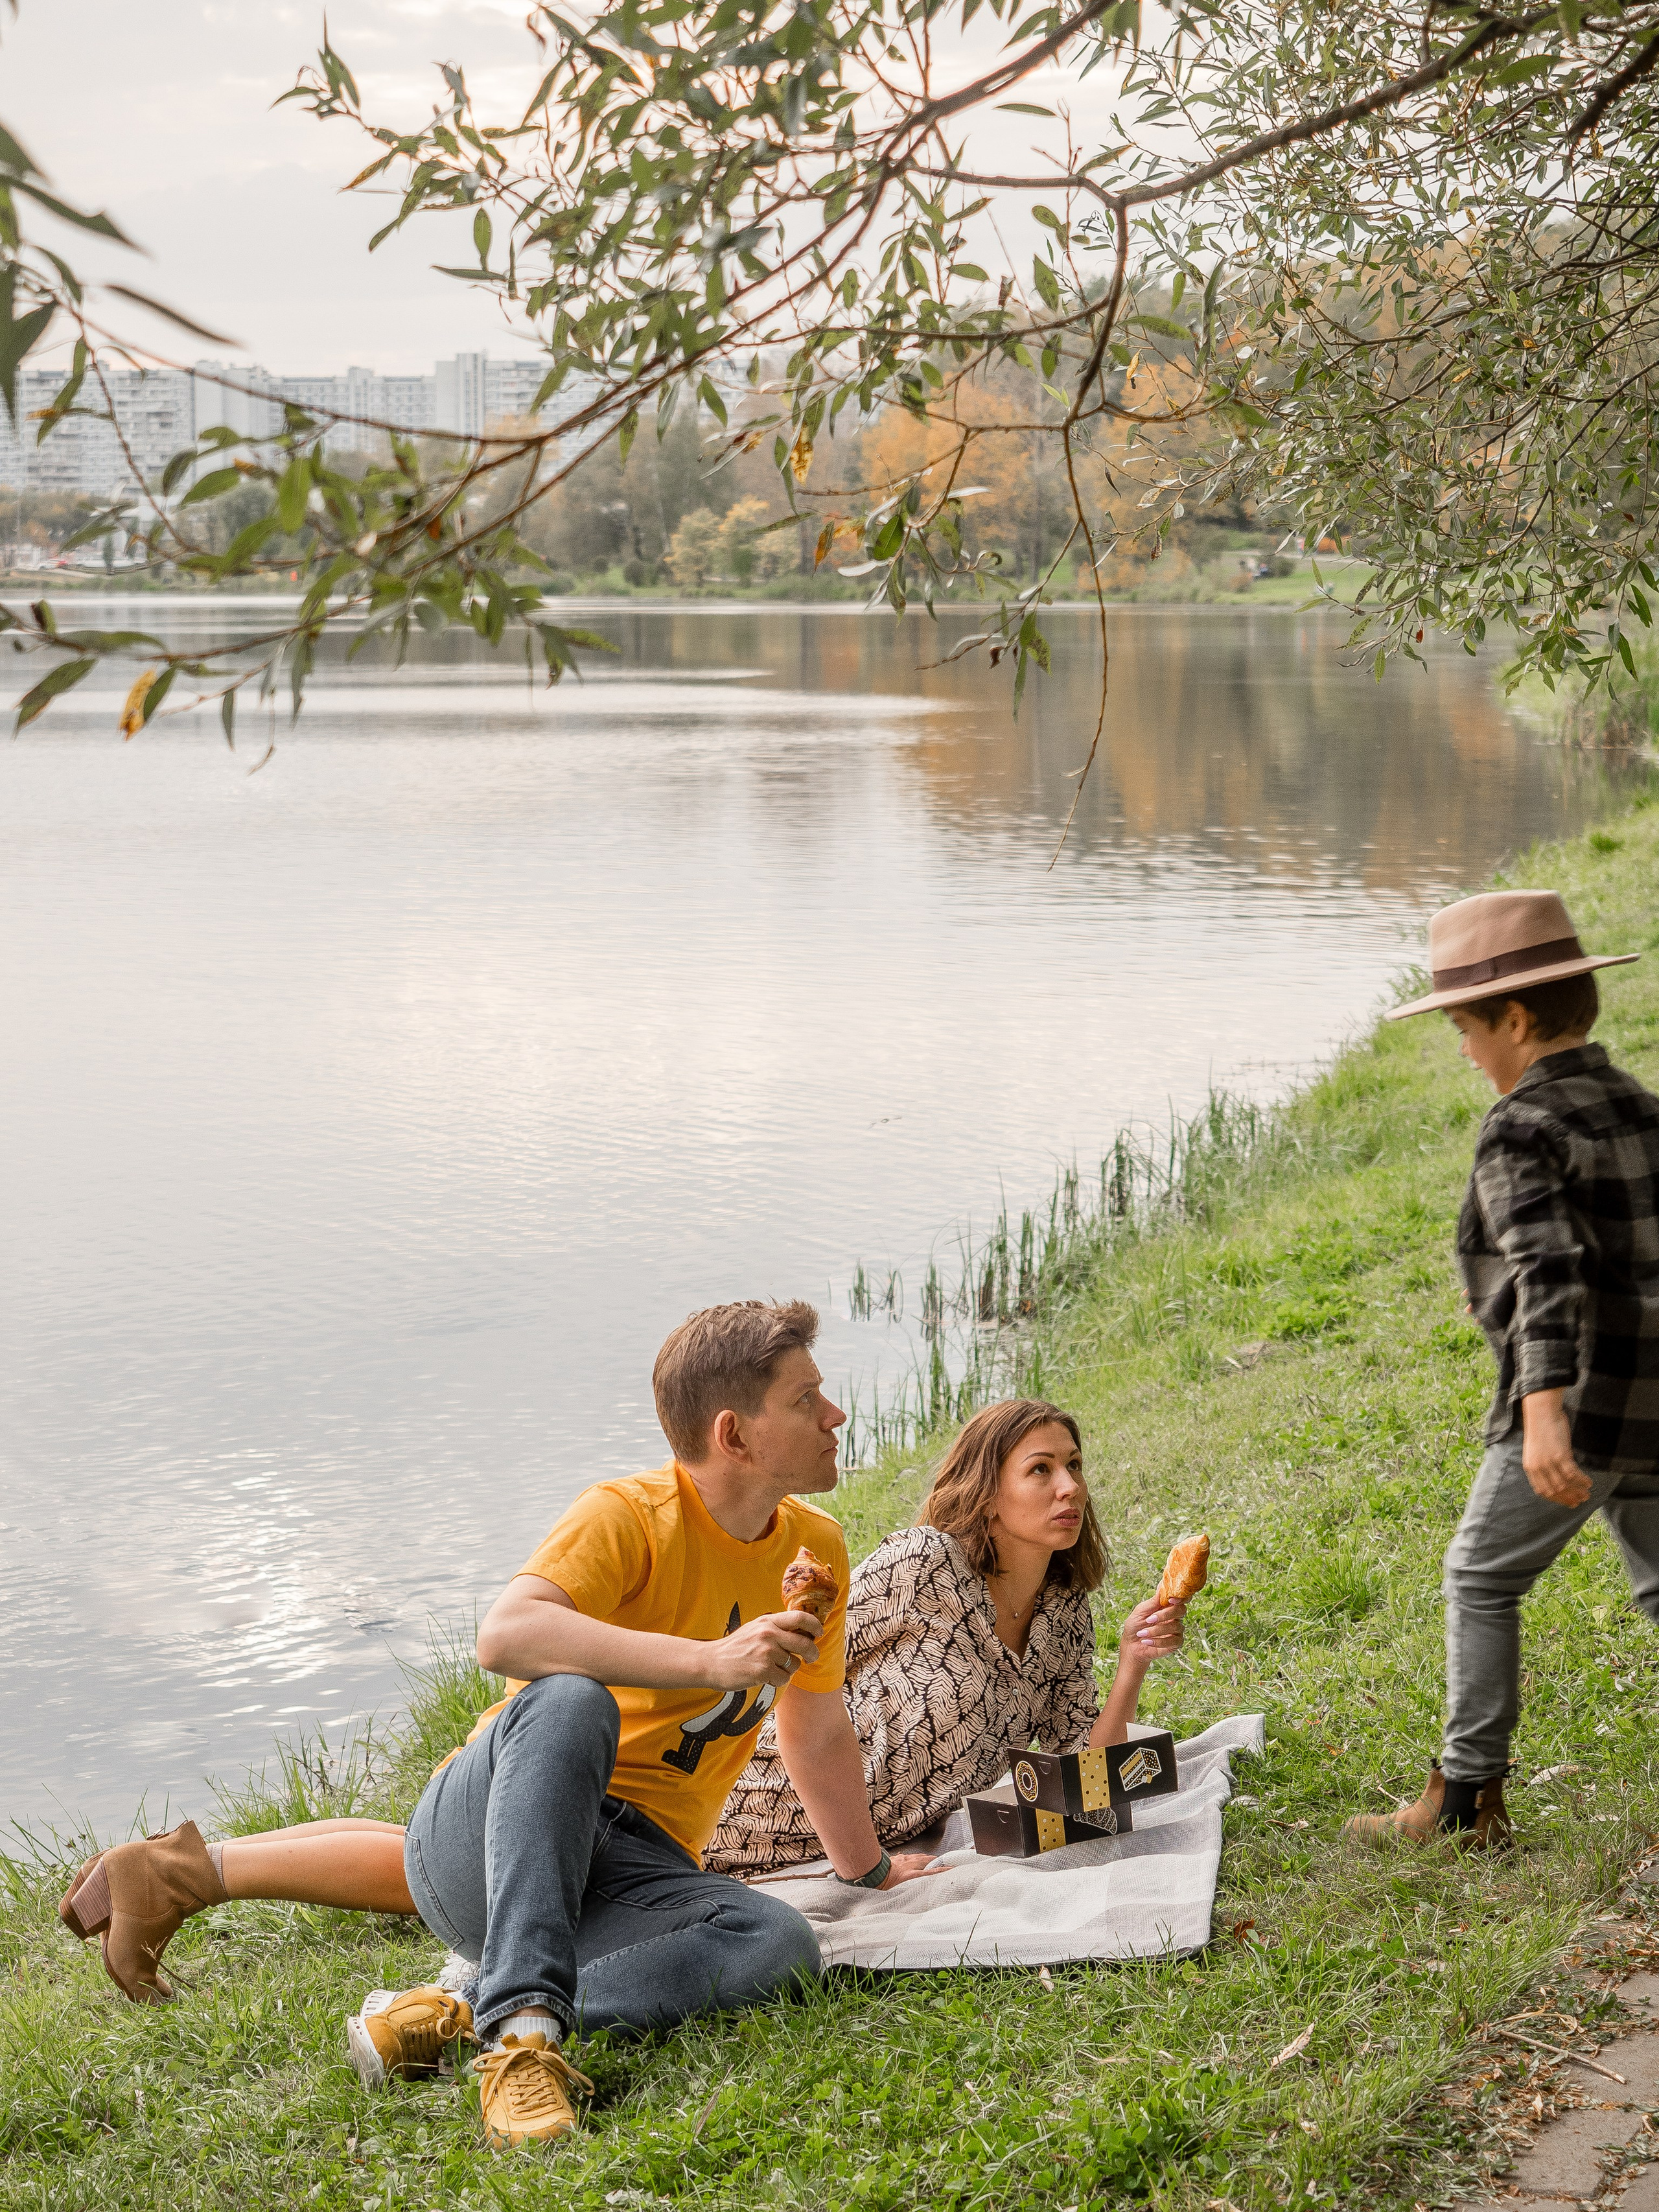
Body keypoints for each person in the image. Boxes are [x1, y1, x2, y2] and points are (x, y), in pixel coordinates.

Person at [60, 1299, 935, 2148]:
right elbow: (506, 1634)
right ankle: (522, 2040)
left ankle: (450, 2010)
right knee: (569, 1697)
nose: (836, 1413)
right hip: (494, 1826)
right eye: (804, 1398)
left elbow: (814, 1724)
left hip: (631, 1869)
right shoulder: (629, 1515)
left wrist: (866, 1868)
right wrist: (715, 1661)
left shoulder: (811, 1545)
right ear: (733, 1434)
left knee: (777, 1942)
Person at [1345, 887, 1656, 1850]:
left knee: (1479, 1574)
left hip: (1588, 1402)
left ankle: (1464, 1798)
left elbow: (1550, 1268)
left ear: (1515, 1020)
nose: (1463, 1048)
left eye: (1465, 1027)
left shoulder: (1519, 1125)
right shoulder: (1638, 1103)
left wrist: (1543, 1413)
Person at [708, 1395, 1186, 1875]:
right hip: (756, 1805)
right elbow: (787, 1668)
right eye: (1041, 1469)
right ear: (988, 1492)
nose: (1071, 1487)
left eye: (1074, 1465)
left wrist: (1133, 1663)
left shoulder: (1063, 1610)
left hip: (877, 1846)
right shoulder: (924, 1564)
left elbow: (1087, 1781)